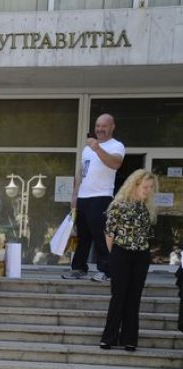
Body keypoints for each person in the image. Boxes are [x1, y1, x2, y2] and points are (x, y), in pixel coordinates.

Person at [99, 169, 158, 352]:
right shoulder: (119, 205)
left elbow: (149, 235)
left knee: (134, 296)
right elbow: (109, 233)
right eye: (146, 187)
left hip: (141, 255)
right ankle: (109, 338)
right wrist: (112, 256)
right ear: (135, 184)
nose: (148, 191)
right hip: (121, 253)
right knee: (119, 295)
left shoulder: (147, 208)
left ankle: (130, 339)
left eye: (150, 188)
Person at [64, 114, 126, 282]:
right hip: (84, 197)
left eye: (104, 126)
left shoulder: (116, 146)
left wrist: (98, 148)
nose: (99, 129)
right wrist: (75, 194)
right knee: (83, 236)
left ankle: (106, 270)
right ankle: (78, 268)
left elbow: (115, 163)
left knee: (101, 235)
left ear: (112, 127)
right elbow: (81, 171)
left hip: (101, 197)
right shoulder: (86, 149)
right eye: (97, 126)